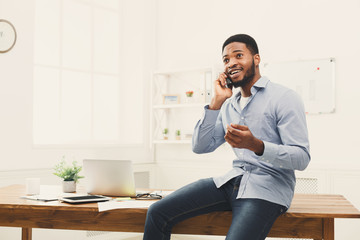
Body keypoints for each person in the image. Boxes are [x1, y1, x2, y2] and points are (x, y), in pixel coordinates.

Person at [143, 34, 310, 240]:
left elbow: (302, 158)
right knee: (157, 212)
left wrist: (257, 146)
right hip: (231, 181)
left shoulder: (284, 98)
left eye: (238, 55)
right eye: (226, 59)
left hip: (268, 188)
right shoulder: (229, 104)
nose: (231, 63)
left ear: (256, 59)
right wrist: (215, 103)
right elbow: (200, 146)